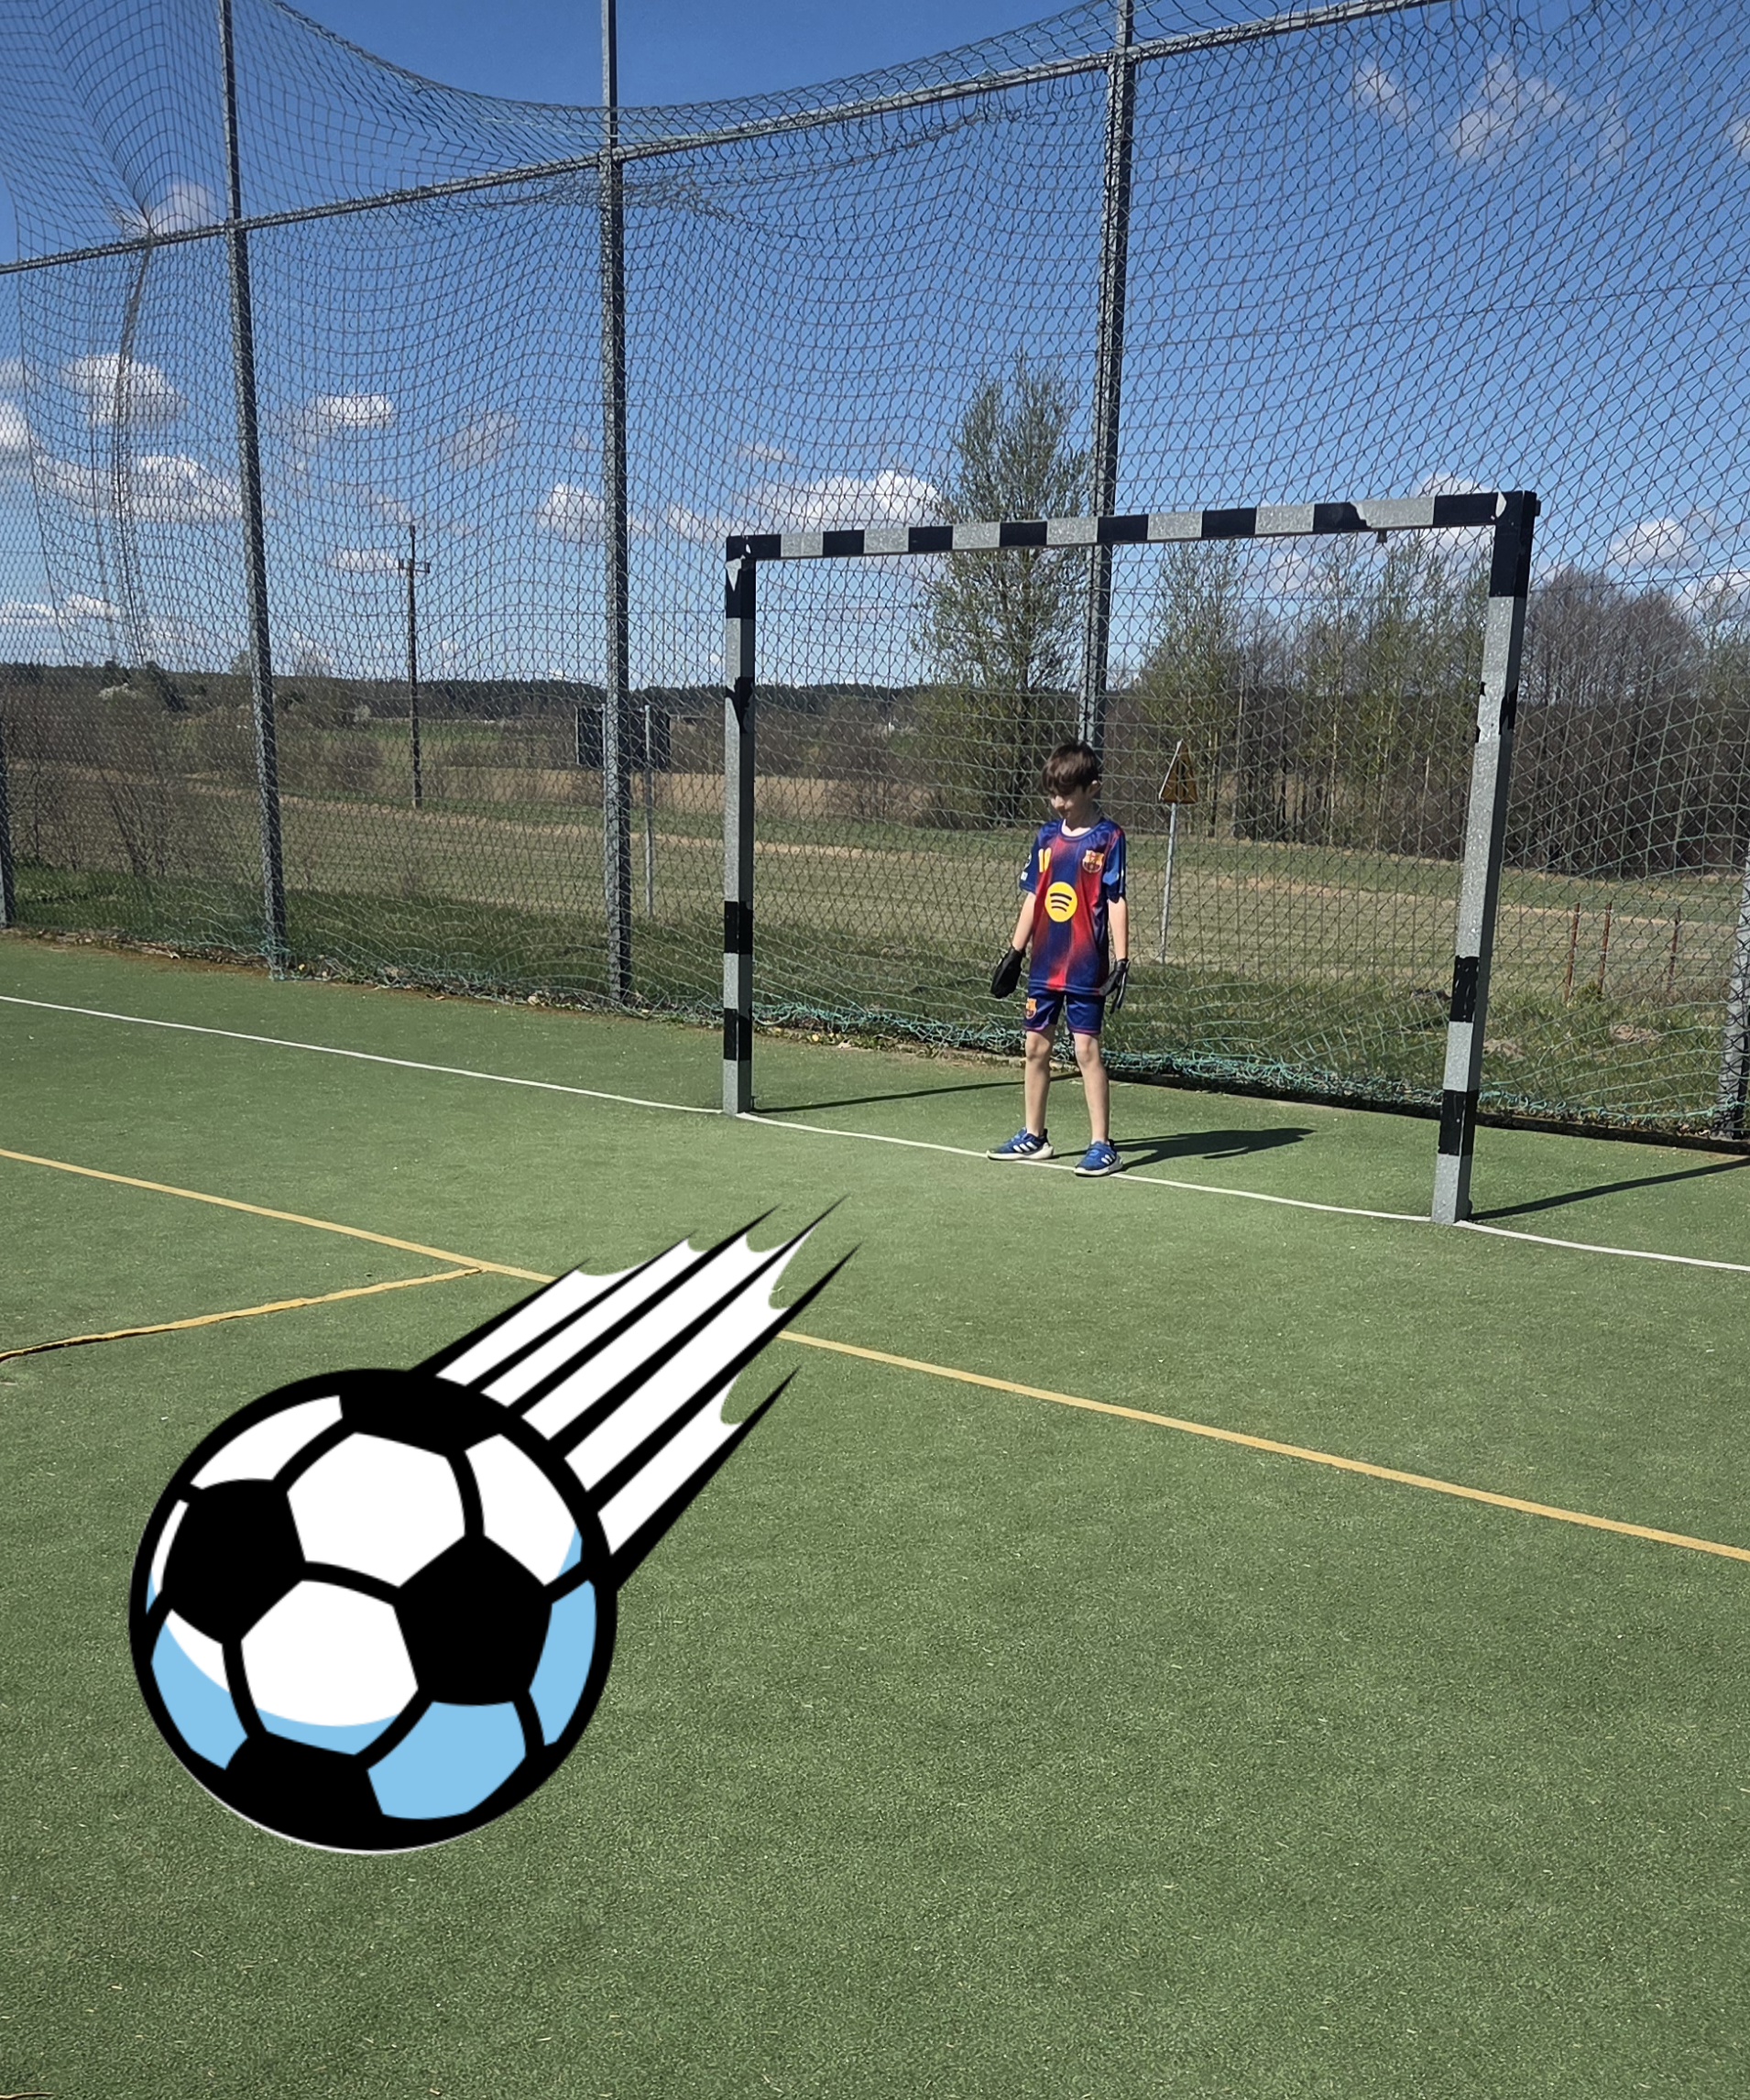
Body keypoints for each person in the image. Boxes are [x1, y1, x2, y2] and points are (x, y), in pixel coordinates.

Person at [986, 739, 1129, 1176]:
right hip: (1044, 965)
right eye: (1052, 794)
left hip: (1085, 967)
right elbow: (1035, 897)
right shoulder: (1047, 837)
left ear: (1093, 788)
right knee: (1035, 1046)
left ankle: (1102, 1145)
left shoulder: (1109, 838)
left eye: (1066, 794)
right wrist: (1014, 953)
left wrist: (1123, 960)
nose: (1058, 803)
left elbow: (1116, 900)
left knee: (1086, 1050)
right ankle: (1034, 1136)